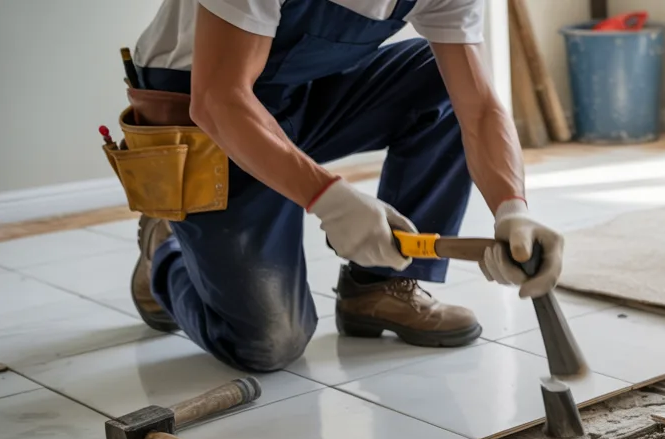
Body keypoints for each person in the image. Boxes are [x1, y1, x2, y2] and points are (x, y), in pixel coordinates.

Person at [124, 0, 562, 372]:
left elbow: (480, 108)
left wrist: (512, 208)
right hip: (203, 115)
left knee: (441, 82)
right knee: (269, 342)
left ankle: (376, 286)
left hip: (304, 92)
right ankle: (163, 252)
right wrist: (329, 199)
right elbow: (219, 98)